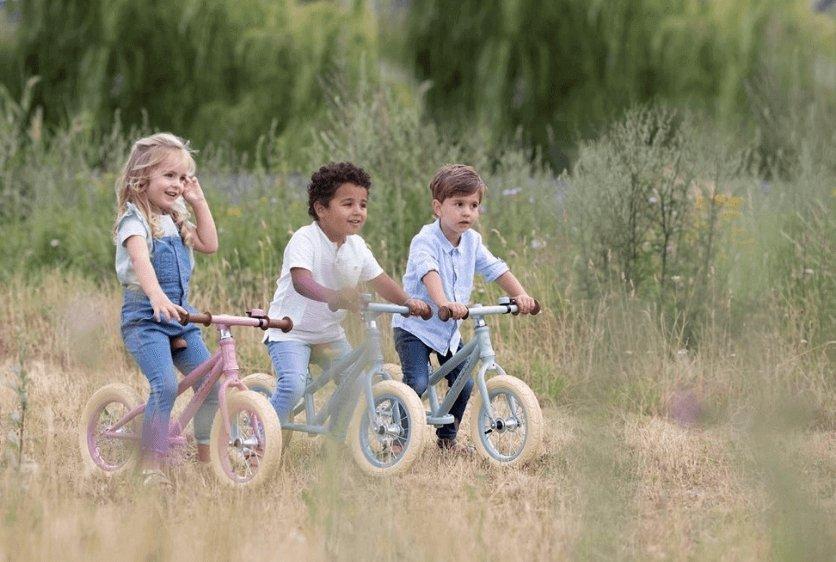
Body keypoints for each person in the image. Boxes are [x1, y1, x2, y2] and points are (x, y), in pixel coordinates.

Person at [263, 162, 429, 425]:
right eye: (348, 203)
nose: (358, 211)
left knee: (357, 386)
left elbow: (380, 281)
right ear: (321, 209)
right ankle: (260, 438)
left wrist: (408, 302)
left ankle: (337, 442)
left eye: (363, 204)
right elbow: (301, 282)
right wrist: (335, 296)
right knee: (293, 387)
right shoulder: (305, 239)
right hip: (291, 333)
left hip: (329, 335)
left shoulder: (357, 246)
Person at [392, 164, 536, 452]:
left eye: (474, 205)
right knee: (418, 383)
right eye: (458, 204)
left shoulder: (473, 241)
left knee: (464, 385)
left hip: (448, 331)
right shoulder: (425, 240)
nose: (467, 212)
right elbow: (428, 271)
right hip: (415, 327)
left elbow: (495, 269)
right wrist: (443, 302)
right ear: (438, 207)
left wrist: (521, 296)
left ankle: (447, 439)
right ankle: (398, 439)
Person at [114, 133, 219, 485]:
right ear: (142, 179)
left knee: (210, 385)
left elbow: (209, 244)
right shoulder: (135, 222)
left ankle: (208, 458)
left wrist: (199, 202)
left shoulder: (175, 219)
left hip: (180, 318)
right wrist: (157, 297)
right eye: (169, 176)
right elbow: (140, 259)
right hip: (146, 320)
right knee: (165, 385)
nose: (177, 184)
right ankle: (150, 463)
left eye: (182, 177)